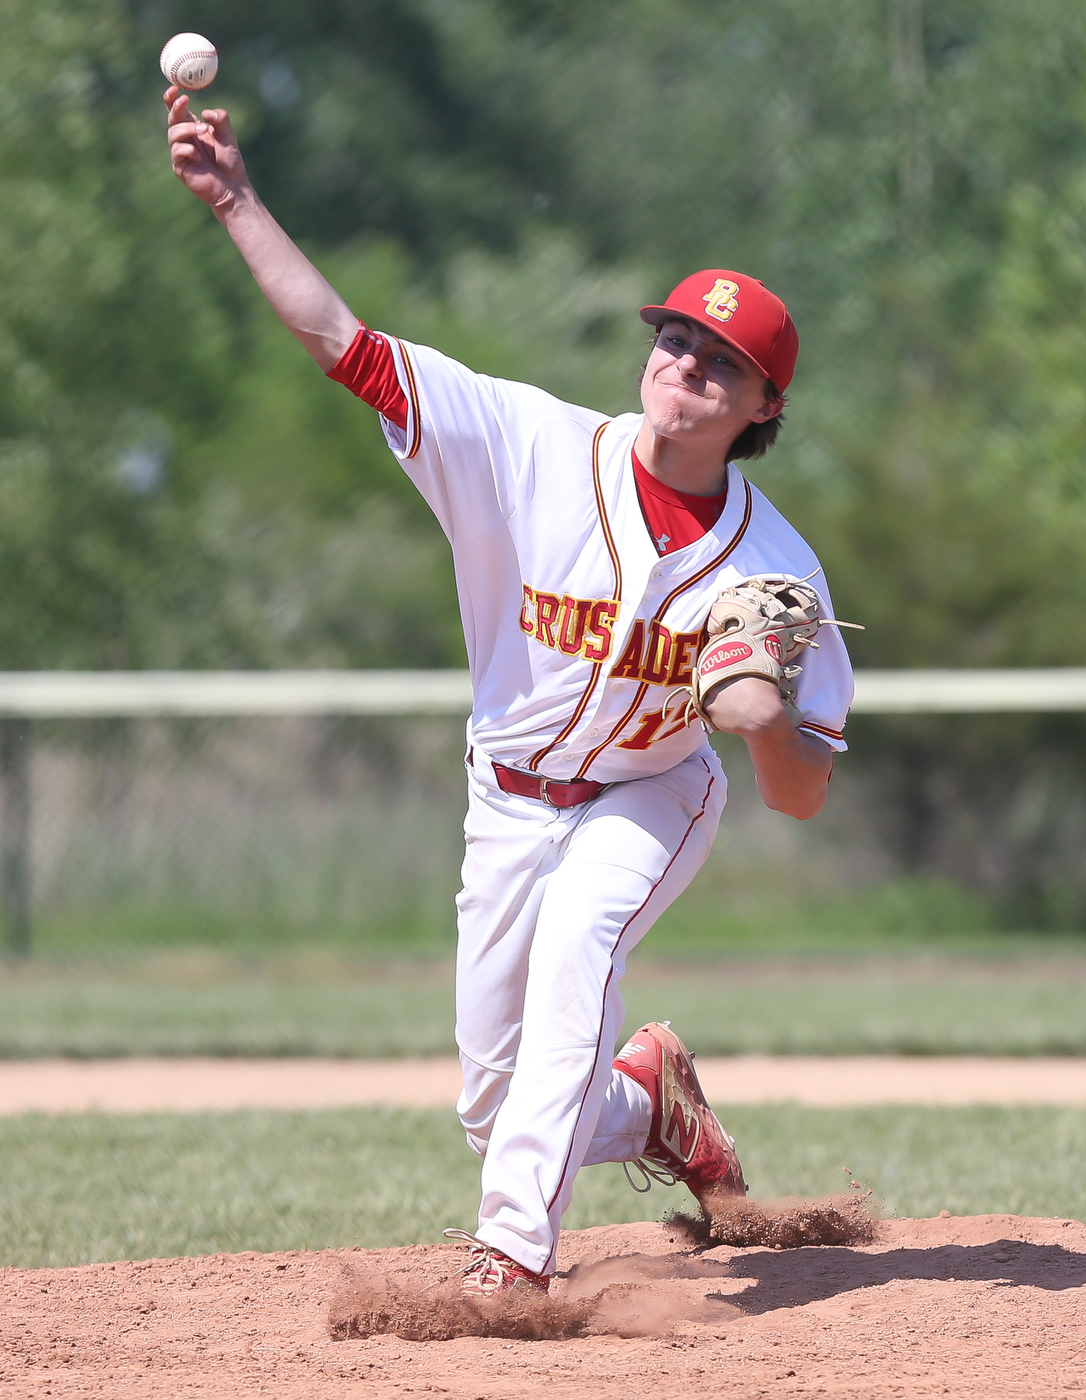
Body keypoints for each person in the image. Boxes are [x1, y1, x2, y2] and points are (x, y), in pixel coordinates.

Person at [165, 87, 854, 1296]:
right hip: (508, 793)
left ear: (763, 408)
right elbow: (349, 344)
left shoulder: (776, 569)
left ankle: (511, 1258)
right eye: (677, 337)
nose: (685, 362)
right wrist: (235, 200)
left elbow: (802, 794)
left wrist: (764, 722)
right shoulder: (527, 445)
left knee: (581, 944)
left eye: (722, 360)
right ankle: (651, 1107)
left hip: (650, 793)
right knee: (500, 1100)